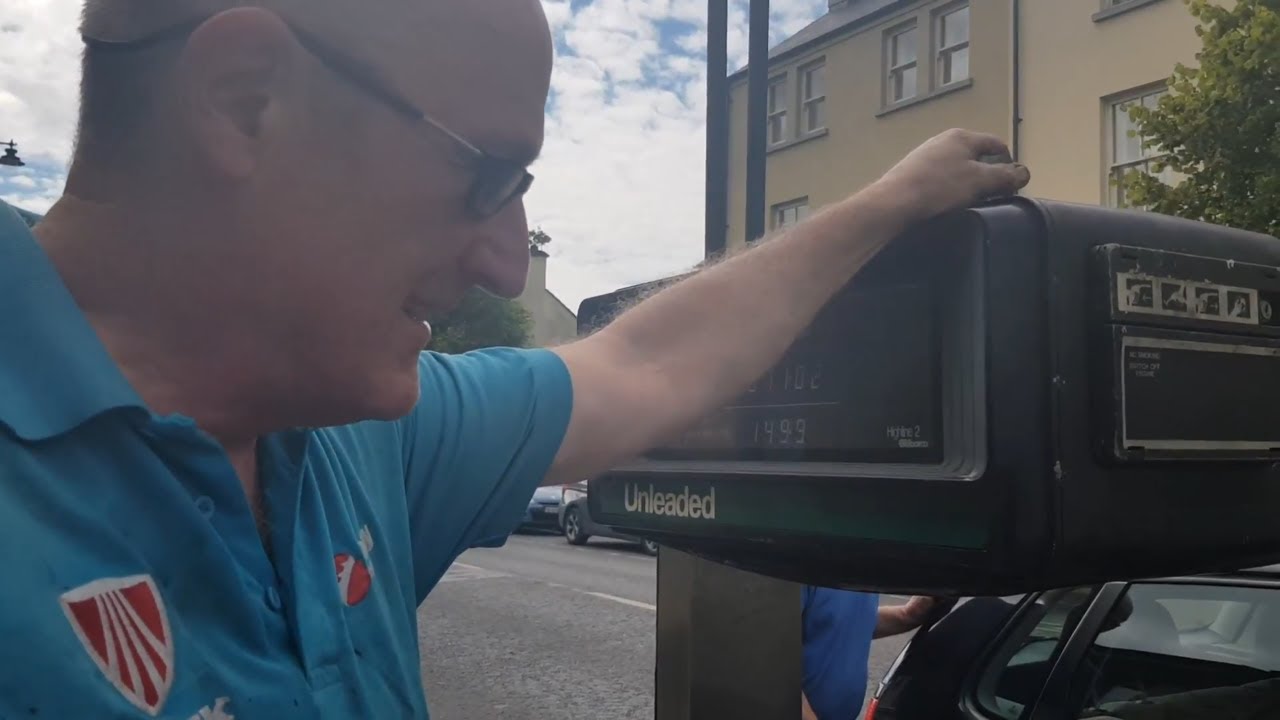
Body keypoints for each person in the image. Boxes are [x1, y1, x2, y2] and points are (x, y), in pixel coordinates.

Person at [0, 0, 1029, 717]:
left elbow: (643, 367)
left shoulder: (362, 435)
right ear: (242, 99)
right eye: (489, 172)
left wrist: (886, 207)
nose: (503, 264)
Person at [801, 589, 938, 720]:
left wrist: (907, 615)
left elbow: (841, 621)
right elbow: (779, 670)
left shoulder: (862, 570)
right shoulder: (798, 570)